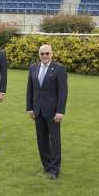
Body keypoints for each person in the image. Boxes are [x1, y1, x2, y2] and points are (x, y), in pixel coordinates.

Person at [26, 44, 67, 180]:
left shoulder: (59, 69)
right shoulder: (33, 68)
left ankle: (55, 169)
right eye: (42, 54)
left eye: (47, 53)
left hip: (53, 111)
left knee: (55, 141)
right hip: (37, 111)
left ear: (52, 54)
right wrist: (30, 108)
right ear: (39, 55)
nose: (44, 56)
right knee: (41, 140)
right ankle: (47, 166)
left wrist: (60, 111)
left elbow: (63, 92)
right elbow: (30, 90)